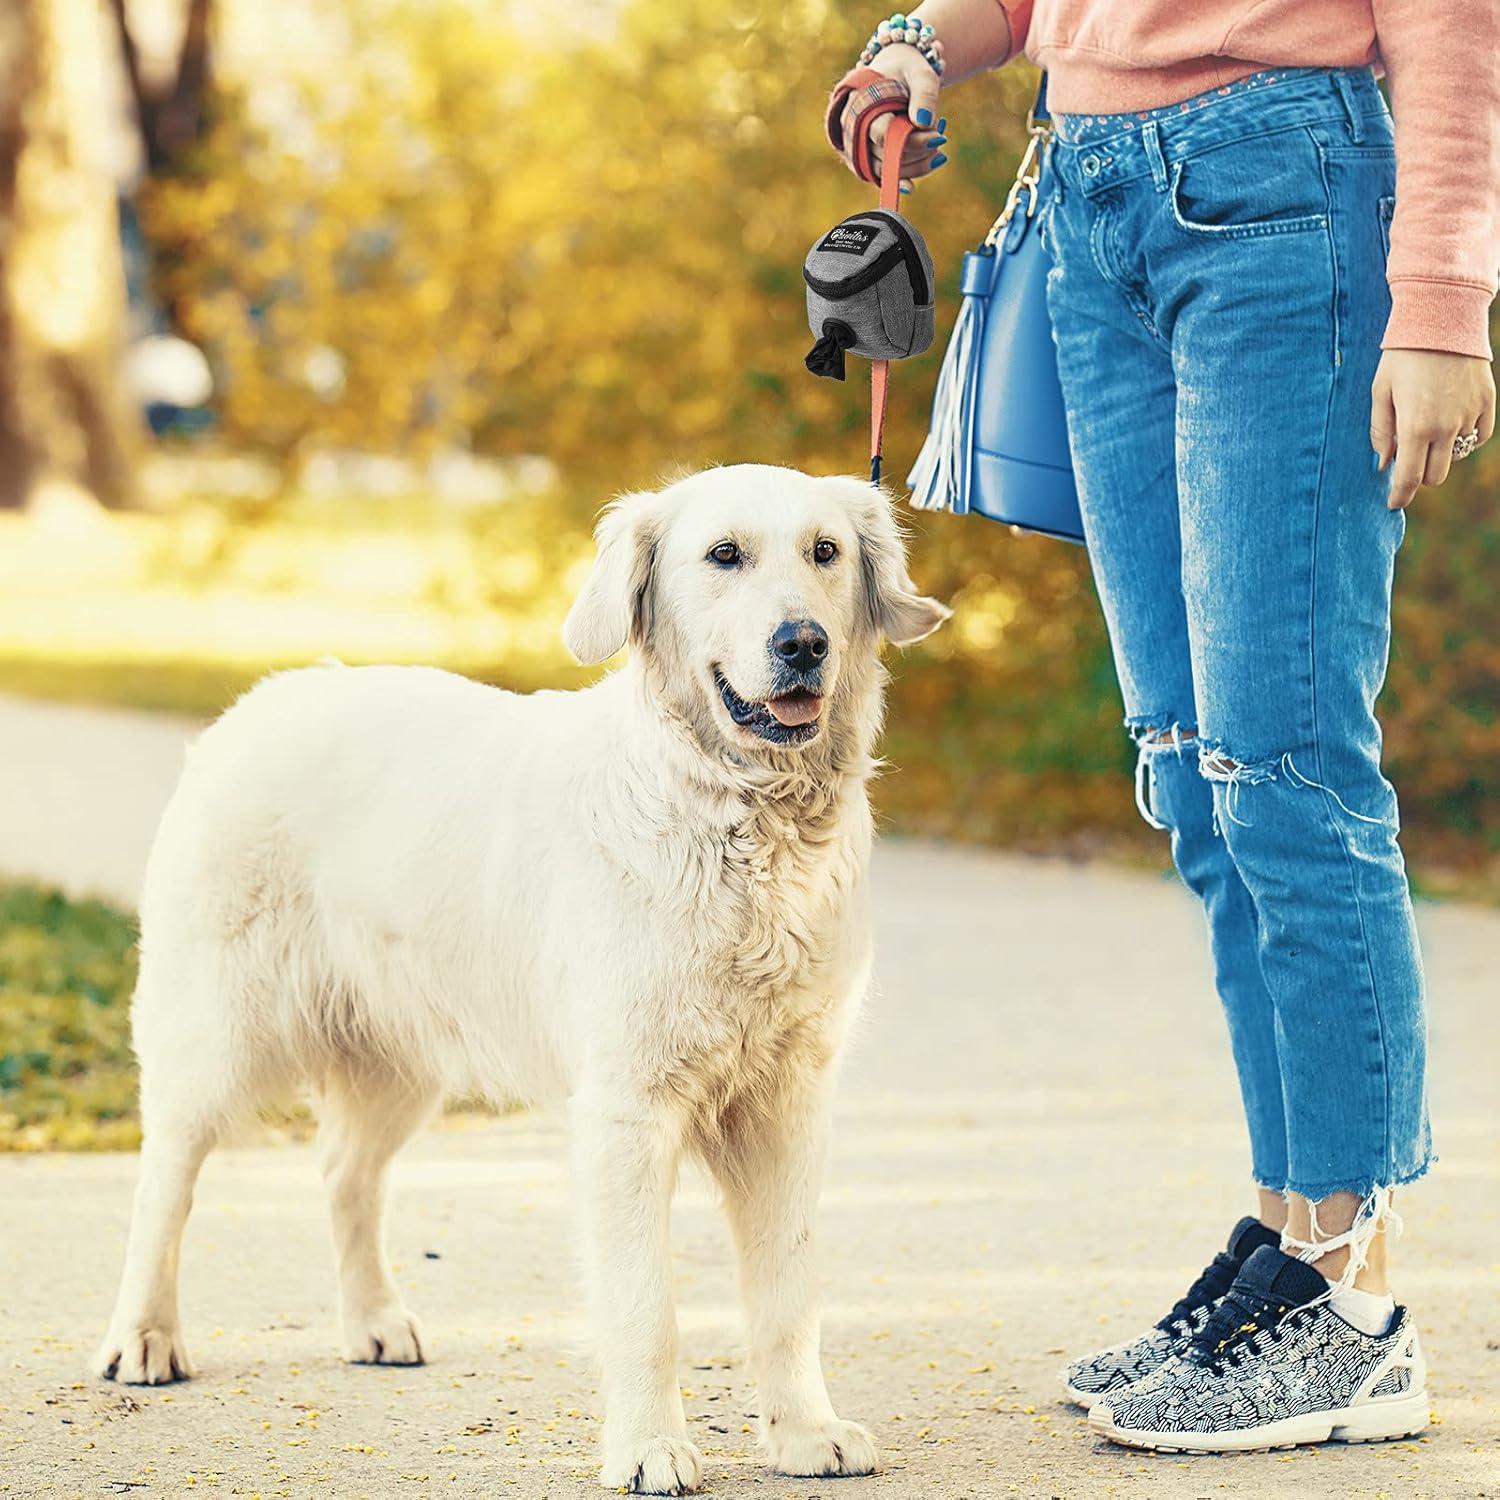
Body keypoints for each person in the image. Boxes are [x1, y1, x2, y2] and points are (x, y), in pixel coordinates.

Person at [824, 0, 1497, 1454]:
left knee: (1287, 769)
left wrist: (1442, 303)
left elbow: (1453, 23)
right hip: (1089, 195)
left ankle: (1352, 1308)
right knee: (1194, 779)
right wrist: (915, 47)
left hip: (1281, 186)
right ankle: (1287, 1244)